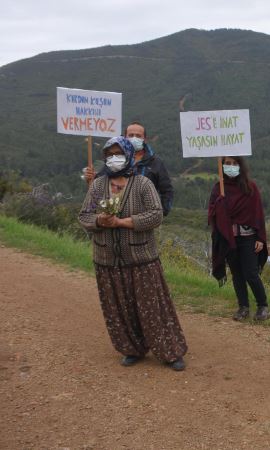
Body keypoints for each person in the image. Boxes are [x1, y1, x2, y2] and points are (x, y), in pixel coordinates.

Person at [78, 136, 187, 370]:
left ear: (128, 155)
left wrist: (123, 222)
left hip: (141, 258)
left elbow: (156, 214)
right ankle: (131, 348)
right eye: (109, 155)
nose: (113, 159)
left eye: (118, 154)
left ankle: (170, 351)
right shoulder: (98, 186)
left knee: (152, 308)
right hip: (107, 259)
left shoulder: (142, 184)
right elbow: (84, 216)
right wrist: (100, 220)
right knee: (119, 308)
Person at [208, 156, 270, 321]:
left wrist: (260, 238)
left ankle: (263, 306)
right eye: (227, 163)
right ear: (222, 166)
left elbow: (258, 214)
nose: (231, 166)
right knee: (237, 274)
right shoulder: (218, 189)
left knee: (251, 273)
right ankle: (243, 307)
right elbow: (212, 214)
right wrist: (219, 206)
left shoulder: (250, 188)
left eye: (235, 163)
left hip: (249, 238)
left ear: (241, 166)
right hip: (230, 239)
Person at [86, 122, 174, 216]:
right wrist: (92, 180)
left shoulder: (156, 162)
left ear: (145, 139)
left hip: (143, 218)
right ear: (125, 137)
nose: (134, 138)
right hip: (115, 215)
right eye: (131, 135)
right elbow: (101, 183)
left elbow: (167, 190)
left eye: (138, 136)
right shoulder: (116, 159)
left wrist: (160, 212)